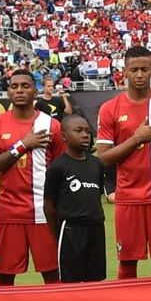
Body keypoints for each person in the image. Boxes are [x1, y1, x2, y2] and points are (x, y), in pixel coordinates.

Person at [94, 45, 151, 279]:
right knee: (127, 263)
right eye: (134, 70)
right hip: (128, 198)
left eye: (145, 69)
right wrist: (137, 139)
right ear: (124, 72)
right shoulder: (110, 109)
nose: (140, 74)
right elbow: (102, 158)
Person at [0, 71, 63, 286]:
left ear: (35, 90)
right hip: (9, 212)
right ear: (8, 91)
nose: (19, 90)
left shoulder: (51, 125)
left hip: (43, 212)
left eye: (25, 86)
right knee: (5, 275)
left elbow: (61, 170)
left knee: (53, 275)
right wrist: (23, 144)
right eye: (14, 86)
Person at [43, 113, 106, 284]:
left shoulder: (96, 164)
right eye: (78, 131)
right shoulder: (58, 167)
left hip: (96, 228)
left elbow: (97, 194)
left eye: (87, 131)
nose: (85, 135)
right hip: (71, 229)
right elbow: (49, 206)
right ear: (64, 136)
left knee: (96, 279)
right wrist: (58, 236)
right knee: (71, 281)